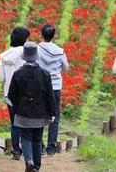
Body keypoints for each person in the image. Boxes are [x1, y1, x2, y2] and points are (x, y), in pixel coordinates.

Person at [8, 42, 56, 172]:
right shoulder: (44, 74)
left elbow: (11, 95)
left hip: (23, 112)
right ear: (36, 56)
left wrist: (16, 108)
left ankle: (29, 161)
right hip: (40, 113)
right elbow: (50, 96)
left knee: (25, 138)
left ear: (24, 56)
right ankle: (37, 167)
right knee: (37, 139)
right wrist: (52, 112)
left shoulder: (18, 73)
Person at [0, 26, 30, 160]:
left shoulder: (4, 56)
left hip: (9, 94)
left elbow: (1, 78)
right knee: (27, 121)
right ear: (25, 39)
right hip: (25, 93)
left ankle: (16, 151)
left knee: (14, 122)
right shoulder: (27, 53)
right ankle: (29, 149)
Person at [37, 23, 69, 156]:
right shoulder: (60, 51)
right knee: (54, 117)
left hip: (40, 85)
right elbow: (65, 68)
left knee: (38, 115)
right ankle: (51, 148)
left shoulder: (37, 49)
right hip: (55, 86)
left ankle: (40, 146)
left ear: (41, 34)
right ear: (54, 35)